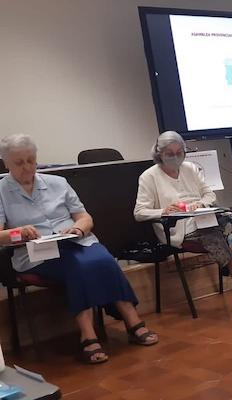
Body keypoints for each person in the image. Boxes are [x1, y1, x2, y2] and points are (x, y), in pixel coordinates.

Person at [0, 134, 158, 364]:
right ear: (6, 163)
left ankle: (131, 318)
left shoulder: (57, 183)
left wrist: (78, 229)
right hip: (36, 253)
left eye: (31, 160)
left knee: (104, 258)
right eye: (19, 163)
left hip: (75, 241)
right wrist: (19, 232)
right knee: (78, 265)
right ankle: (88, 333)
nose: (27, 167)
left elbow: (84, 217)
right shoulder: (2, 190)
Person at [134, 131, 232, 311]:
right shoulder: (148, 177)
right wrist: (163, 210)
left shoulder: (191, 168)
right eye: (170, 154)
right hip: (178, 229)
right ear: (159, 154)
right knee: (217, 233)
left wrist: (200, 203)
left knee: (231, 218)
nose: (175, 157)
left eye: (180, 153)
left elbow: (209, 194)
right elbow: (139, 213)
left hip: (203, 218)